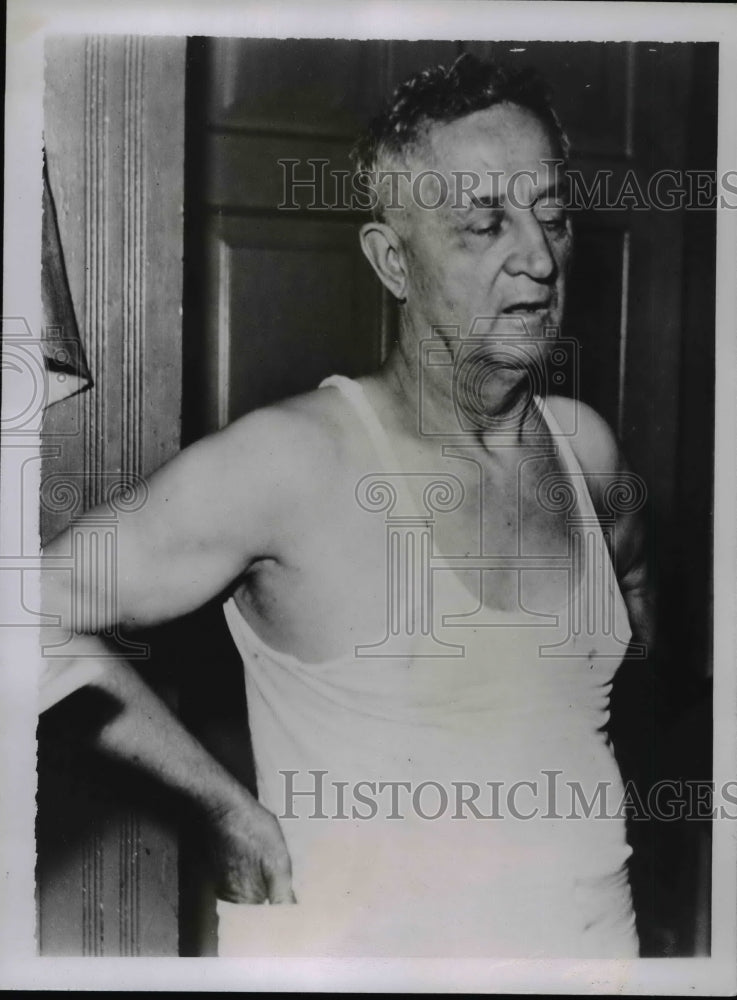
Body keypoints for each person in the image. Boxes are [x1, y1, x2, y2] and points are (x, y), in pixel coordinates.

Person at [41, 55, 653, 957]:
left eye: (550, 216)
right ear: (390, 260)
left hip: (598, 949)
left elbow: (631, 643)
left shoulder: (585, 450)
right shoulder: (294, 463)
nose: (535, 256)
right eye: (483, 224)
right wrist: (221, 809)